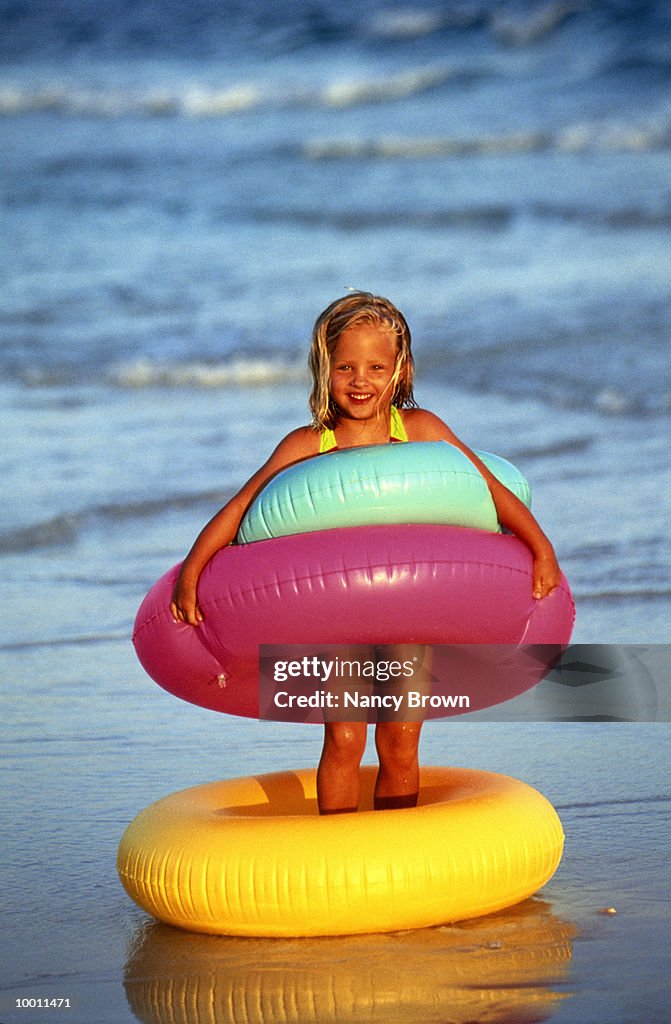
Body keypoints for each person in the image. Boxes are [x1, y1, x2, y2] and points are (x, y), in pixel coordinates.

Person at [170, 291, 562, 814]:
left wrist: (541, 548)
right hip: (335, 619)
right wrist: (192, 571)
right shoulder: (308, 444)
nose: (360, 381)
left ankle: (394, 844)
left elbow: (488, 489)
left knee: (400, 740)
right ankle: (339, 842)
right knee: (346, 741)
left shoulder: (421, 432)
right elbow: (243, 506)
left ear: (399, 371)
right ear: (323, 369)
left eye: (376, 366)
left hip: (408, 613)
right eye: (345, 366)